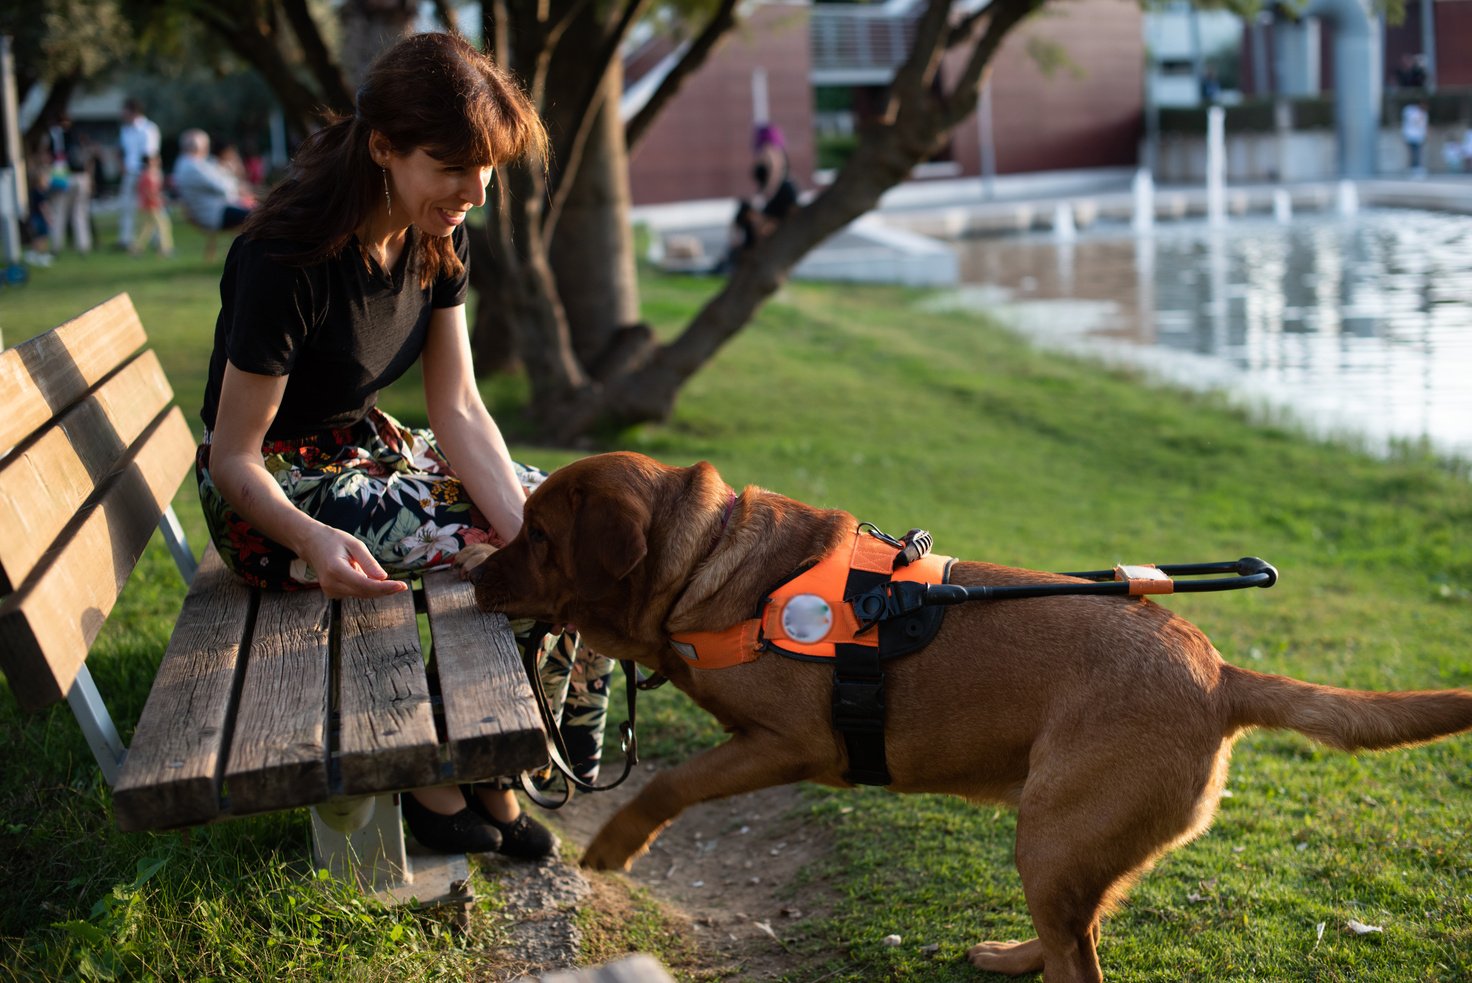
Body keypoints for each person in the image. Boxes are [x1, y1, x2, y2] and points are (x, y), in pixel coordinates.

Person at [196, 31, 608, 860]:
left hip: (370, 454)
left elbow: (457, 407)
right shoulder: (286, 260)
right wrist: (312, 538)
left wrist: (529, 531)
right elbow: (231, 457)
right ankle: (451, 765)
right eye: (454, 166)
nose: (475, 192)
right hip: (278, 495)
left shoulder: (433, 240)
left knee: (572, 536)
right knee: (526, 554)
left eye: (486, 167)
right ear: (384, 147)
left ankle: (486, 759)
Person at [725, 122, 800, 266]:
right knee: (745, 212)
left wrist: (765, 196)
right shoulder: (773, 154)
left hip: (776, 202)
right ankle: (737, 248)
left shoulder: (771, 153)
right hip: (774, 201)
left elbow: (774, 178)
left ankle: (737, 248)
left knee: (745, 212)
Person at [172, 129, 254, 232]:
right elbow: (223, 188)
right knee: (259, 216)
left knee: (258, 211)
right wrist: (236, 185)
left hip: (214, 210)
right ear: (199, 147)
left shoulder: (188, 163)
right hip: (215, 213)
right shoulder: (193, 166)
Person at [45, 114, 93, 253]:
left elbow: (49, 156)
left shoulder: (55, 135)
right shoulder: (78, 135)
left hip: (62, 177)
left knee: (58, 211)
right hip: (81, 177)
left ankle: (56, 245)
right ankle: (83, 245)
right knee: (79, 212)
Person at [117, 98, 161, 249]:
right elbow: (123, 151)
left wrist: (149, 176)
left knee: (152, 207)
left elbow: (149, 153)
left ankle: (159, 240)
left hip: (144, 173)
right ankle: (126, 239)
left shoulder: (148, 128)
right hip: (130, 172)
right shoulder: (125, 129)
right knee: (127, 206)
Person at [129, 154, 174, 257]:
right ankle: (165, 249)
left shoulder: (149, 174)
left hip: (148, 205)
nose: (158, 161)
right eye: (155, 159)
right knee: (163, 225)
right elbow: (149, 192)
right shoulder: (148, 175)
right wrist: (157, 201)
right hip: (152, 205)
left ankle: (136, 248)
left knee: (146, 228)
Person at [1402, 101, 1429, 176]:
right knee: (1413, 153)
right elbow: (1414, 121)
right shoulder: (1411, 111)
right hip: (1411, 136)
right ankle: (1413, 169)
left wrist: (1425, 135)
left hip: (1419, 137)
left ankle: (1417, 168)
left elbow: (1423, 126)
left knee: (1418, 153)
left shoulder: (1424, 114)